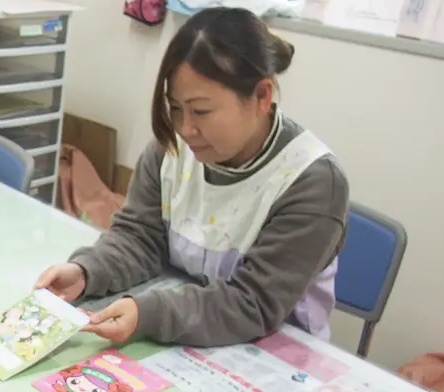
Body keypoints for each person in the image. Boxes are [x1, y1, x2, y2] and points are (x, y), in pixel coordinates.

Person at [36, 7, 349, 347]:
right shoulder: (171, 149)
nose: (186, 128)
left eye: (201, 111)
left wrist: (151, 312)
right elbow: (139, 237)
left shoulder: (312, 182)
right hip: (186, 337)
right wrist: (87, 271)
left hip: (274, 356)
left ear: (262, 96)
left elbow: (253, 304)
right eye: (175, 108)